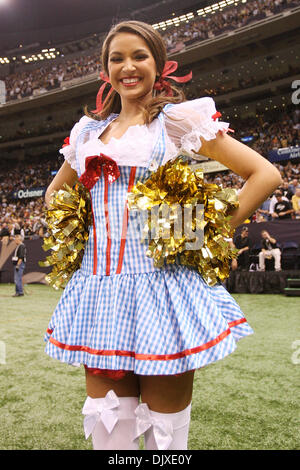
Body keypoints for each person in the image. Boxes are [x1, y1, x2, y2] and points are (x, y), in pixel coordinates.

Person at [44, 20, 282, 451]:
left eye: (140, 56)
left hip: (164, 293)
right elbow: (54, 194)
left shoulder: (174, 122)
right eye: (117, 58)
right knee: (109, 438)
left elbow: (264, 174)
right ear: (105, 70)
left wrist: (204, 234)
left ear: (159, 66)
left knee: (164, 442)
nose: (128, 67)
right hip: (100, 297)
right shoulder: (85, 132)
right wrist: (81, 228)